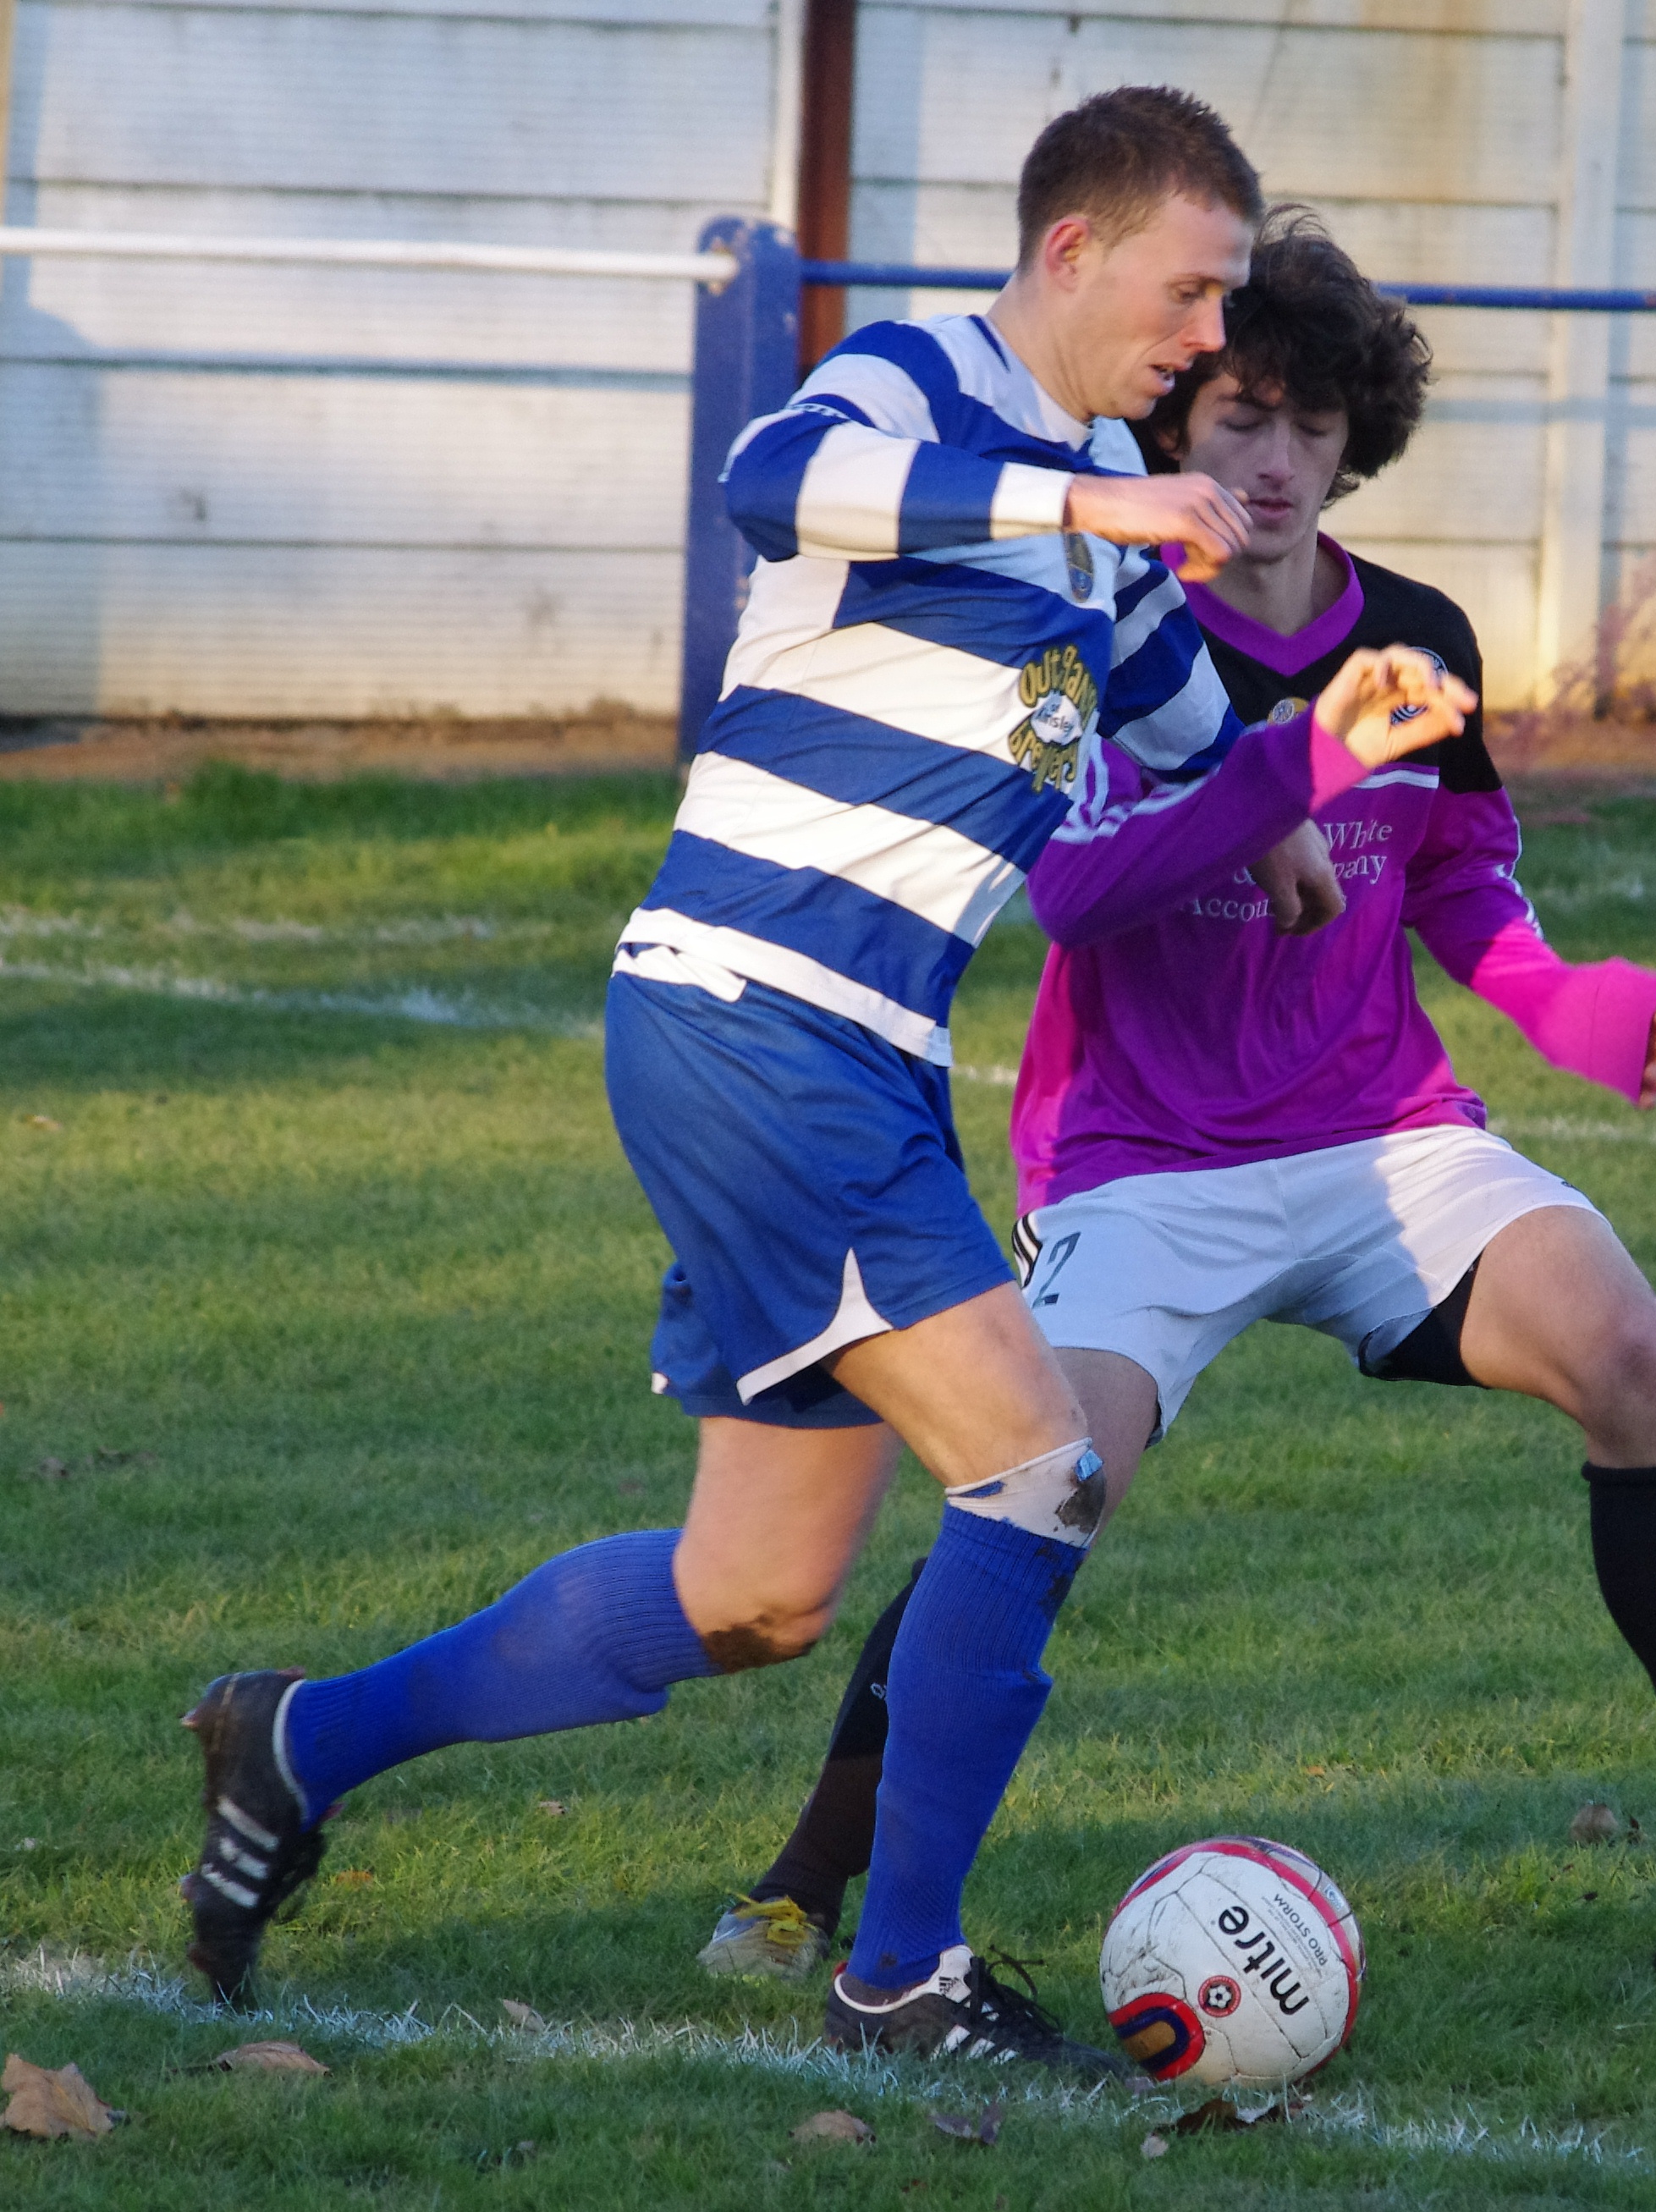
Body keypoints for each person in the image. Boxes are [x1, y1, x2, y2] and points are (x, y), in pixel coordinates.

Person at [173, 95, 1477, 2077]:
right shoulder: (924, 383)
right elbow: (771, 473)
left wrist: (1300, 789)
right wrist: (1083, 510)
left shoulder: (1106, 515)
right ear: (1072, 255)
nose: (1212, 339)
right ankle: (902, 1971)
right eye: (1189, 289)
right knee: (1035, 1464)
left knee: (759, 1588)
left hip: (832, 1048)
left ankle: (298, 1737)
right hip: (760, 1016)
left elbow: (1185, 703)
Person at [697, 211, 1656, 2002]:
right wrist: (1292, 761)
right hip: (1137, 1164)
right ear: (1165, 436)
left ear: (1355, 433)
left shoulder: (1418, 638)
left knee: (1629, 1347)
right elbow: (1075, 890)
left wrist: (1557, 1000)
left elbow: (1461, 885)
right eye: (1231, 418)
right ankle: (803, 1883)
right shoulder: (1097, 625)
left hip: (1381, 1136)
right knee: (1035, 1486)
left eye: (1305, 424)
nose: (1271, 459)